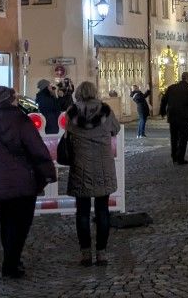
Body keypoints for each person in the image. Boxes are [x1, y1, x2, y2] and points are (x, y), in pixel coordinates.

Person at [0, 86, 57, 278]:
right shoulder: (20, 120)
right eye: (15, 97)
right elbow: (37, 150)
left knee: (6, 223)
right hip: (22, 182)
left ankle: (12, 260)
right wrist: (48, 173)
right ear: (10, 99)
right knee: (21, 225)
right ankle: (10, 264)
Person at [65, 81, 120, 267]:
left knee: (82, 212)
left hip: (81, 166)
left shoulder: (72, 112)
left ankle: (85, 253)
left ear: (78, 93)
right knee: (103, 211)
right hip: (103, 166)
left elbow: (69, 132)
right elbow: (116, 129)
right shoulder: (106, 110)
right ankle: (102, 253)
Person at [160, 71, 188, 164]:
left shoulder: (171, 88)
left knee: (174, 137)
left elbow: (164, 100)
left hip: (173, 117)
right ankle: (180, 158)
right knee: (183, 138)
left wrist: (163, 112)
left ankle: (174, 156)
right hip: (185, 118)